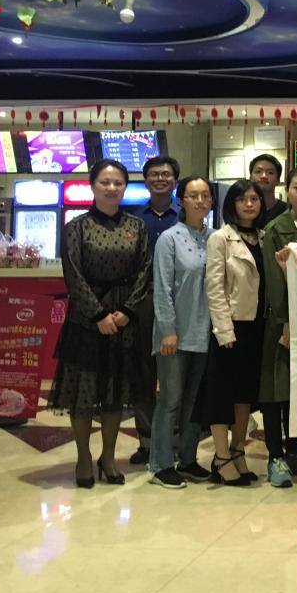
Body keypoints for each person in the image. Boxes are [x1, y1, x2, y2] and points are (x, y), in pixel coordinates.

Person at [48, 159, 150, 488]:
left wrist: (127, 311)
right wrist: (98, 315)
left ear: (125, 187)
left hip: (123, 319)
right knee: (83, 392)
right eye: (105, 182)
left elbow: (145, 271)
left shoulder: (137, 226)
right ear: (93, 185)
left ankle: (108, 457)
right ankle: (83, 457)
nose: (111, 188)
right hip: (85, 320)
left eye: (118, 182)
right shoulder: (76, 227)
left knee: (114, 393)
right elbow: (73, 274)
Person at [199, 180, 268, 486]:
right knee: (221, 394)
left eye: (254, 198)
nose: (249, 204)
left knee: (245, 395)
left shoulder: (264, 238)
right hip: (231, 327)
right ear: (232, 204)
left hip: (257, 326)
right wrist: (224, 329)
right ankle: (222, 456)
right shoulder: (220, 238)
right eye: (242, 199)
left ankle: (239, 450)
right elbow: (214, 288)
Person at [148, 176, 215, 489]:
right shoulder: (169, 239)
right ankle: (161, 464)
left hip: (206, 333)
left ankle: (187, 459)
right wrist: (167, 330)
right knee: (170, 401)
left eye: (205, 195)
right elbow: (162, 287)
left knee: (195, 401)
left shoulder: (215, 238)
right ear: (181, 200)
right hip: (174, 333)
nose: (200, 201)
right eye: (193, 195)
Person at [259, 167, 297, 487]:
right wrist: (285, 322)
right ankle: (275, 455)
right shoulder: (276, 229)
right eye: (296, 187)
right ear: (287, 191)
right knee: (275, 389)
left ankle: (296, 450)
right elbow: (274, 282)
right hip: (282, 324)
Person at [129, 156, 181, 466]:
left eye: (166, 174)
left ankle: (175, 440)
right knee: (143, 373)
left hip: (181, 303)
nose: (160, 179)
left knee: (176, 374)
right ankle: (146, 441)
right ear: (146, 180)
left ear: (175, 180)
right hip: (143, 302)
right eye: (154, 175)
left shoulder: (186, 217)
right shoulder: (133, 220)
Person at [250, 153, 288, 227]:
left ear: (278, 180)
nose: (264, 176)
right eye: (258, 171)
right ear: (251, 178)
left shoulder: (287, 211)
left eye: (270, 172)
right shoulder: (243, 210)